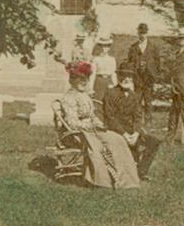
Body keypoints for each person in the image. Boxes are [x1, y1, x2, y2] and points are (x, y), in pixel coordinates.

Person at [53, 61, 139, 189]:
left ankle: (126, 179)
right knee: (102, 145)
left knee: (117, 139)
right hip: (76, 134)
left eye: (86, 79)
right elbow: (72, 123)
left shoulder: (84, 96)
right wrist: (91, 126)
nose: (84, 82)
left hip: (91, 131)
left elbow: (92, 116)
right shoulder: (68, 98)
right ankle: (103, 180)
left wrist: (99, 123)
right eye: (80, 79)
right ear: (72, 80)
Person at [102, 71, 161, 178]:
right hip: (116, 132)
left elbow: (138, 116)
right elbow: (110, 118)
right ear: (118, 77)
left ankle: (141, 171)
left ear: (132, 79)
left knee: (154, 142)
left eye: (129, 77)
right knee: (128, 146)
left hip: (132, 132)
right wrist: (124, 134)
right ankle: (131, 170)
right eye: (123, 76)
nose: (126, 79)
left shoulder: (134, 95)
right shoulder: (110, 93)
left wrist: (136, 133)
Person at [123, 23, 164, 122]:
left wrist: (155, 77)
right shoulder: (133, 47)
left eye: (144, 33)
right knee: (137, 99)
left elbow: (158, 63)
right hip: (137, 77)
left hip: (149, 77)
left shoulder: (153, 47)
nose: (142, 35)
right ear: (138, 33)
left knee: (148, 100)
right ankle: (137, 119)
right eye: (141, 33)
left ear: (147, 33)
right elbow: (129, 62)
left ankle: (148, 120)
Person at [89, 36, 118, 102]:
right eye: (102, 46)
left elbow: (114, 74)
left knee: (109, 101)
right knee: (98, 101)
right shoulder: (96, 59)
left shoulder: (112, 59)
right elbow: (92, 74)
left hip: (108, 82)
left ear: (109, 47)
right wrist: (90, 88)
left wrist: (116, 86)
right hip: (99, 82)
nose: (104, 48)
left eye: (106, 46)